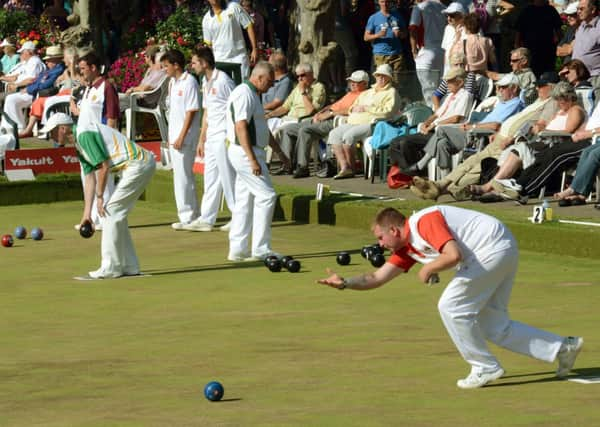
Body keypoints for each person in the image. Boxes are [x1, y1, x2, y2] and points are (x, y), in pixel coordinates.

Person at [318, 206, 584, 389]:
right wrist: (345, 283)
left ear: (394, 230)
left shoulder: (424, 221)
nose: (379, 244)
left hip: (490, 247)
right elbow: (377, 278)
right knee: (493, 326)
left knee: (451, 306)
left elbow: (453, 255)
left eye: (380, 237)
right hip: (499, 250)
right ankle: (562, 347)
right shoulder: (407, 248)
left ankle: (484, 366)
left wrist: (429, 268)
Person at [410, 71, 560, 201]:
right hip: (499, 137)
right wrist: (499, 132)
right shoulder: (537, 101)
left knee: (478, 168)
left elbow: (538, 126)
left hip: (509, 142)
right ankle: (440, 185)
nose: (537, 88)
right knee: (471, 161)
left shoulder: (551, 103)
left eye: (542, 85)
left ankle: (439, 189)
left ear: (552, 87)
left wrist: (512, 137)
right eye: (538, 85)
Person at [42, 113, 156, 279]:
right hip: (136, 165)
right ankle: (129, 266)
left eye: (52, 132)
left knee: (110, 212)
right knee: (117, 214)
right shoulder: (79, 144)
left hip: (138, 163)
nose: (50, 136)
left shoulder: (84, 135)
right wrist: (87, 215)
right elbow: (89, 178)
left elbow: (103, 168)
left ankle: (110, 267)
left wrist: (101, 197)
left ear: (63, 128)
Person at [471, 81, 586, 199]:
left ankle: (491, 187)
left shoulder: (575, 110)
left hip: (553, 145)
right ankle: (498, 189)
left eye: (561, 99)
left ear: (569, 97)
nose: (559, 103)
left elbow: (568, 132)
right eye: (557, 99)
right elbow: (547, 125)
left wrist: (545, 133)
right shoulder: (560, 111)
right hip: (543, 141)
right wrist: (539, 128)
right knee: (514, 150)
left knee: (518, 150)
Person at [225, 61, 290, 261]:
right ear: (259, 77)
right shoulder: (244, 93)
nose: (271, 86)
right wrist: (252, 160)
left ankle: (238, 249)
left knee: (245, 200)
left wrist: (279, 151)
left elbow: (261, 126)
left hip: (249, 151)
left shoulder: (254, 94)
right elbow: (241, 127)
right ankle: (261, 249)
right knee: (267, 196)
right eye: (269, 81)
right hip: (246, 152)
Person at [411, 72, 523, 175]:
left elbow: (496, 126)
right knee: (442, 144)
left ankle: (421, 164)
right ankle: (445, 179)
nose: (499, 90)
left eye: (503, 87)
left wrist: (472, 126)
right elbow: (437, 113)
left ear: (514, 88)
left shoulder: (515, 104)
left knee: (441, 130)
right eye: (498, 87)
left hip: (479, 135)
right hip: (473, 131)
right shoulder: (503, 103)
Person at [278, 70, 370, 179]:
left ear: (365, 83)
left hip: (336, 121)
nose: (352, 83)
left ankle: (302, 166)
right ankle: (287, 165)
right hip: (322, 117)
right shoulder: (350, 93)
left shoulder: (365, 95)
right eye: (351, 81)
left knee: (305, 130)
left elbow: (351, 110)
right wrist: (320, 113)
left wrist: (330, 113)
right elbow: (334, 105)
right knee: (287, 129)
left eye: (356, 82)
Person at [183, 46, 236, 232]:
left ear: (204, 63)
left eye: (195, 62)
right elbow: (207, 112)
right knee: (210, 177)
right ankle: (207, 218)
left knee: (228, 176)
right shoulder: (205, 82)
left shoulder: (223, 80)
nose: (192, 65)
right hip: (211, 136)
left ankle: (238, 216)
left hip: (224, 135)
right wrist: (201, 139)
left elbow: (234, 108)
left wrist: (232, 136)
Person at [389, 67, 473, 175]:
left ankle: (415, 171)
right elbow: (437, 114)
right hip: (434, 130)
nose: (447, 84)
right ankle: (411, 172)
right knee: (396, 143)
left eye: (450, 81)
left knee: (404, 142)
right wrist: (426, 123)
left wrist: (433, 125)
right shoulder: (450, 96)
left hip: (445, 133)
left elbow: (456, 118)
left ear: (460, 82)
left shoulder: (465, 96)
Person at [70, 51, 119, 231]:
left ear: (93, 68)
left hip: (100, 139)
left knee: (104, 183)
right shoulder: (89, 88)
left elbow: (112, 117)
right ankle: (90, 218)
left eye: (83, 68)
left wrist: (110, 143)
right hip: (85, 140)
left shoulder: (106, 86)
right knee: (88, 178)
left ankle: (106, 219)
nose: (81, 72)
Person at [328, 64, 401, 179]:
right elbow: (353, 106)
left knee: (348, 136)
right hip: (353, 121)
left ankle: (351, 169)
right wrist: (354, 109)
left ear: (389, 78)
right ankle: (344, 167)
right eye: (378, 76)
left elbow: (388, 112)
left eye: (384, 76)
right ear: (375, 77)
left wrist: (367, 108)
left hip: (373, 123)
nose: (381, 78)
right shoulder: (368, 92)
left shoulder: (391, 92)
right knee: (334, 134)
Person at [161, 49, 201, 230]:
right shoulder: (172, 83)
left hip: (184, 138)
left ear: (176, 65)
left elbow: (191, 111)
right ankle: (191, 214)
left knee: (183, 176)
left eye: (166, 66)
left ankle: (188, 216)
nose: (164, 70)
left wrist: (181, 136)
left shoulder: (190, 82)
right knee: (182, 176)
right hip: (174, 136)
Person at [19, 46, 81, 138]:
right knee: (39, 102)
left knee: (47, 102)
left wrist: (70, 69)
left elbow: (73, 81)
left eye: (65, 57)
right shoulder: (64, 70)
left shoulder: (76, 69)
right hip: (61, 94)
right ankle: (29, 129)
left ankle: (44, 130)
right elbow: (55, 82)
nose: (64, 60)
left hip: (70, 95)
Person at [2, 45, 64, 132]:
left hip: (40, 94)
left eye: (48, 60)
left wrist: (28, 89)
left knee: (11, 99)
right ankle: (16, 126)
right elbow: (36, 81)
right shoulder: (51, 69)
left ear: (56, 59)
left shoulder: (57, 70)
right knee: (10, 99)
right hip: (34, 92)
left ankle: (18, 127)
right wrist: (28, 88)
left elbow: (45, 85)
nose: (46, 62)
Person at [202, 0, 258, 78]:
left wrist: (254, 49)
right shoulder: (206, 19)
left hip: (239, 57)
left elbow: (248, 25)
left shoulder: (234, 7)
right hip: (220, 60)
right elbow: (209, 45)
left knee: (241, 87)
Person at [409, 0, 447, 107]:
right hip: (442, 52)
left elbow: (413, 29)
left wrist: (413, 50)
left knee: (429, 93)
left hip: (426, 51)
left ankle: (432, 117)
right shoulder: (444, 6)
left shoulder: (419, 7)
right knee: (442, 91)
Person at [515, 0, 563, 77]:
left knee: (548, 74)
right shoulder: (527, 11)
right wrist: (517, 45)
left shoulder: (551, 10)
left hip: (548, 50)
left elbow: (559, 30)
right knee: (531, 73)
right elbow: (519, 30)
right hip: (530, 50)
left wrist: (560, 44)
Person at [364, 0, 408, 84]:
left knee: (398, 82)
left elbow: (405, 34)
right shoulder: (374, 17)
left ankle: (396, 96)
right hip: (381, 55)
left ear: (390, 2)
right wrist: (378, 35)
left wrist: (400, 34)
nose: (385, 4)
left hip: (397, 54)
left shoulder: (397, 15)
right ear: (379, 3)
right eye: (382, 2)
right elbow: (366, 37)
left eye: (387, 2)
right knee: (383, 83)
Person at [118, 45, 166, 112]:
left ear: (150, 57)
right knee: (113, 98)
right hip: (139, 98)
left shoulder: (160, 73)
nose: (144, 58)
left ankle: (109, 120)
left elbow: (145, 88)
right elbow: (142, 87)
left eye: (145, 56)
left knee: (114, 98)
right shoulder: (151, 70)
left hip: (145, 101)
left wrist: (132, 89)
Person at [571, 0, 600, 101]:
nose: (578, 11)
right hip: (578, 79)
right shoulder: (581, 27)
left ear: (592, 10)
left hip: (595, 79)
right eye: (577, 9)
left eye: (581, 9)